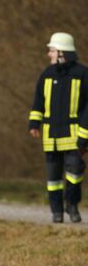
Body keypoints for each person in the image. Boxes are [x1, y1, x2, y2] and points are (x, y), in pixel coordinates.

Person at [29, 32, 88, 223]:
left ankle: (71, 204)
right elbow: (38, 101)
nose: (48, 54)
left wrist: (84, 135)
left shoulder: (82, 74)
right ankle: (56, 211)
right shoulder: (46, 74)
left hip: (73, 136)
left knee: (75, 171)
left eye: (52, 50)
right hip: (50, 136)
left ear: (62, 52)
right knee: (53, 178)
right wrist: (34, 123)